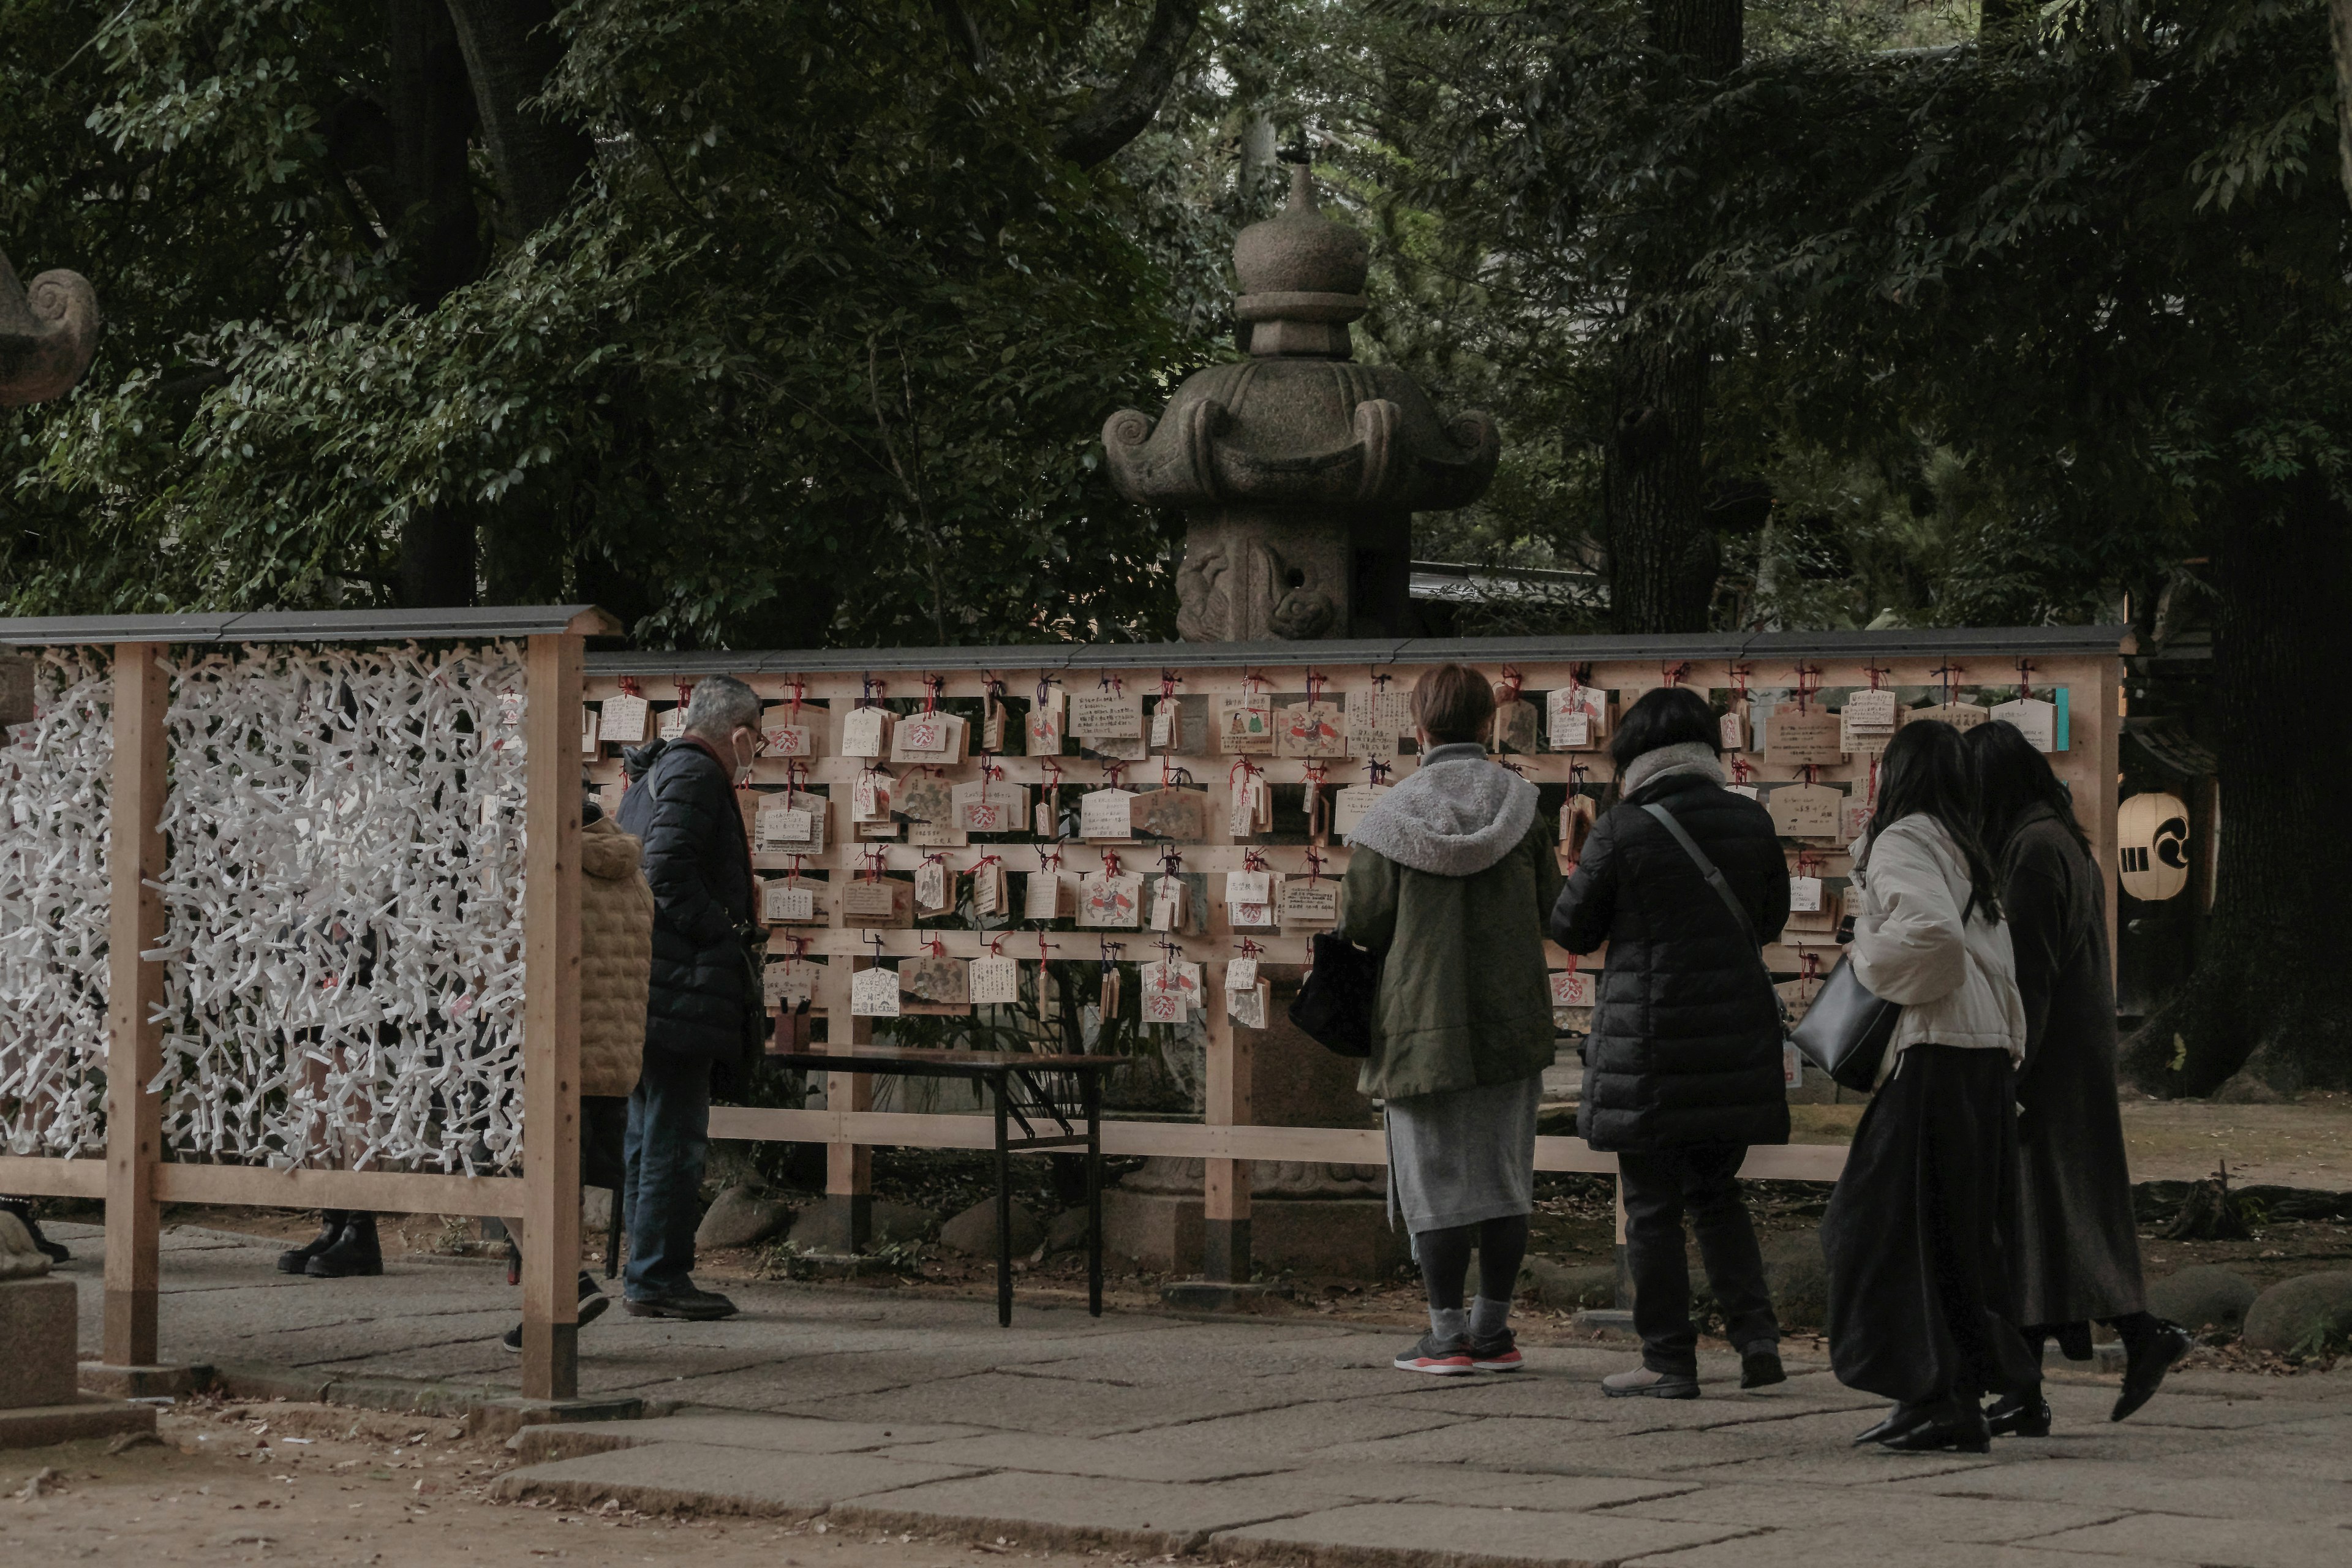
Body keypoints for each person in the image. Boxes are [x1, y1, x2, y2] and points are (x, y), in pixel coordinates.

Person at [1550, 686, 1792, 1399]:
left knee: (1651, 1204)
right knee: (1718, 1195)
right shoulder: (1751, 819)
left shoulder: (1623, 827)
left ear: (1633, 755)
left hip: (1648, 1043)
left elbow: (1572, 928)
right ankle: (1758, 1342)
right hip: (1732, 1038)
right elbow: (1772, 917)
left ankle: (1668, 1359)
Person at [1966, 720, 2190, 1428]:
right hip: (2076, 1050)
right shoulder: (2061, 841)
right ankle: (2037, 1382)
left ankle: (2090, 1355)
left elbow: (2027, 971)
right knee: (2051, 1214)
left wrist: (2008, 1058)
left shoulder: (2030, 851)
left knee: (2034, 1212)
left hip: (2047, 1056)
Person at [1338, 664, 1562, 1376]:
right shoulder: (1523, 807)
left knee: (1431, 1177)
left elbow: (1361, 922)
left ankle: (1444, 1334)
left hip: (1416, 1021)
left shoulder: (1387, 817)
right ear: (1490, 724)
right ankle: (1493, 1330)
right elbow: (1553, 908)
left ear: (1420, 726)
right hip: (1509, 1016)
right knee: (1503, 1172)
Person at [1824, 718, 2037, 1453]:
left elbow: (1934, 939)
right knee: (1954, 1230)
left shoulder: (1904, 840)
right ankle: (1956, 1390)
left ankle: (1932, 1390)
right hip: (1979, 1053)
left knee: (1881, 1225)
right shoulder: (1964, 844)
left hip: (1935, 1046)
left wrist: (1861, 954)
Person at [614, 676, 766, 1321]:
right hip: (681, 988)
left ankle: (647, 1267)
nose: (755, 751)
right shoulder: (699, 776)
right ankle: (657, 1275)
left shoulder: (651, 778)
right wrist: (725, 935)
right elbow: (666, 867)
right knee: (674, 1139)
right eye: (756, 739)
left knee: (649, 1133)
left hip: (647, 983)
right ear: (738, 734)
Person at [500, 787, 657, 1351]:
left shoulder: (553, 868)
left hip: (550, 1056)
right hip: (611, 1060)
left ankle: (563, 1283)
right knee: (555, 1178)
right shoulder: (631, 874)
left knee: (505, 1173)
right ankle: (555, 1297)